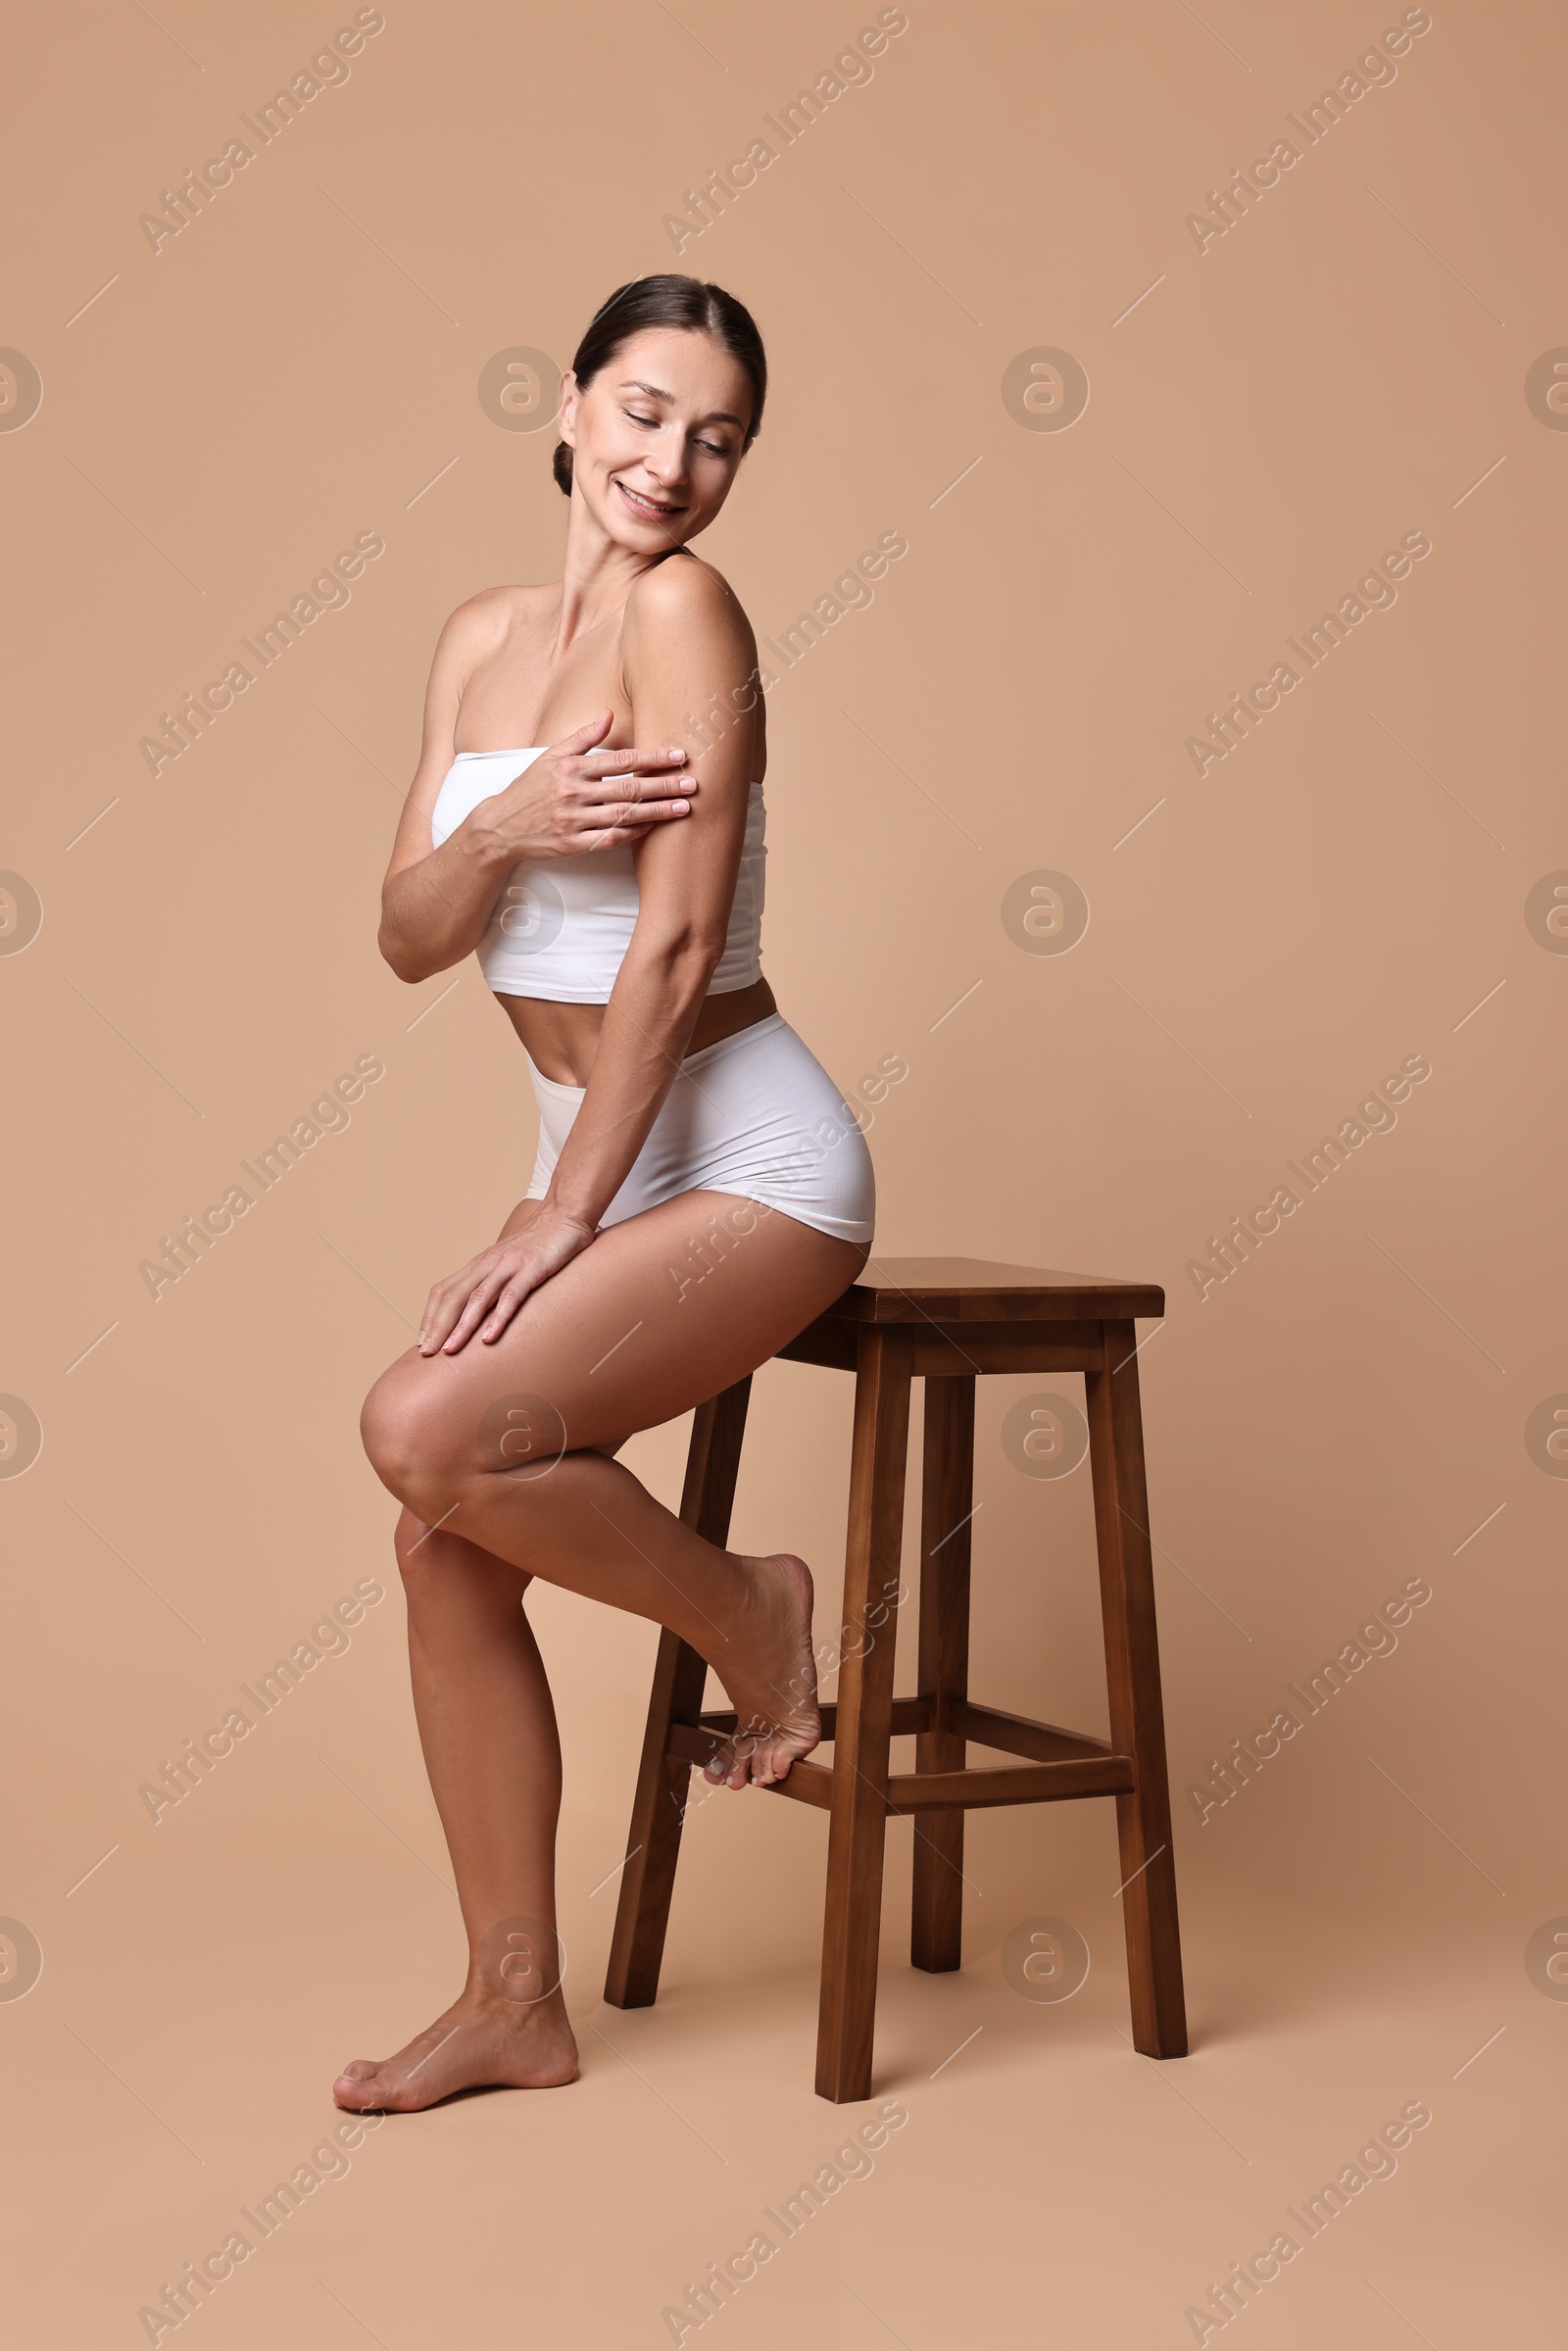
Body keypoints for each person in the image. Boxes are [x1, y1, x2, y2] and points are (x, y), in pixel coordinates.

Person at [335, 275, 875, 2112]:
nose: (677, 461)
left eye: (720, 434)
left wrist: (562, 1216)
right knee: (439, 1522)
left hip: (744, 1157)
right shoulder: (481, 639)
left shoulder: (686, 613)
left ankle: (751, 1613)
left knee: (424, 1431)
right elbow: (411, 935)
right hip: (592, 1149)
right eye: (646, 411)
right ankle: (513, 2000)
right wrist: (501, 828)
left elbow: (678, 948)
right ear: (568, 408)